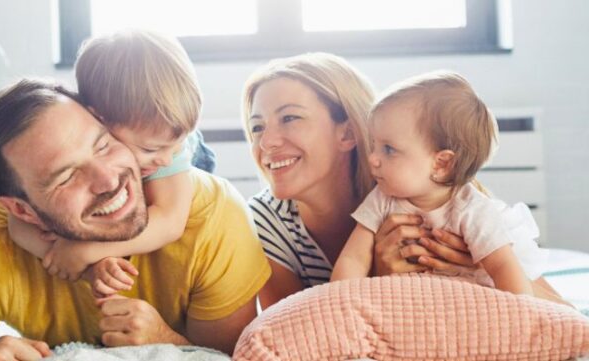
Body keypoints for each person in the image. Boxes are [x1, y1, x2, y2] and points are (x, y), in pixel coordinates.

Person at [0, 80, 270, 360]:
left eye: (104, 145)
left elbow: (227, 357)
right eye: (66, 177)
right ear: (22, 211)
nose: (107, 180)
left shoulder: (211, 216)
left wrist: (167, 340)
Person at [241, 53, 564, 310]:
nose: (266, 142)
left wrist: (479, 269)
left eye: (289, 118)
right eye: (257, 127)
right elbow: (290, 332)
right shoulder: (266, 223)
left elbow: (555, 310)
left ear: (349, 133)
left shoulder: (425, 183)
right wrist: (379, 278)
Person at [8, 30, 214, 297]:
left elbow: (170, 222)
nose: (165, 158)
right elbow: (17, 224)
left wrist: (88, 251)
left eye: (176, 144)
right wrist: (74, 261)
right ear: (99, 121)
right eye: (150, 148)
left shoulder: (169, 151)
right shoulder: (74, 126)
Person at [330, 71, 547, 296]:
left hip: (463, 305)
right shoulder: (382, 198)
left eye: (389, 149)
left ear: (441, 163)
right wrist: (339, 302)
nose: (372, 158)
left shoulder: (473, 210)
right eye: (374, 144)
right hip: (404, 307)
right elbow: (353, 258)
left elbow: (504, 268)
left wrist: (519, 314)